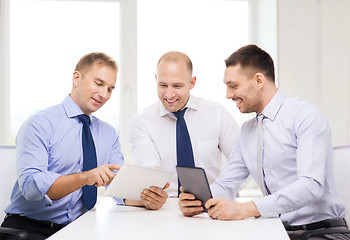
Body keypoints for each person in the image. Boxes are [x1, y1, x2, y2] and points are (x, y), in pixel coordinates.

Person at [178, 45, 350, 240]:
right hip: (277, 231)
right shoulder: (248, 131)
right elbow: (227, 184)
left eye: (233, 86)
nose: (228, 95)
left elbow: (311, 185)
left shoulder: (305, 115)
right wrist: (200, 201)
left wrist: (247, 209)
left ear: (258, 80)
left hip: (323, 232)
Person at [0, 52, 125, 240]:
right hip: (29, 229)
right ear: (76, 78)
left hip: (78, 229)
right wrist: (85, 177)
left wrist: (146, 196)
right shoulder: (39, 124)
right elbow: (32, 188)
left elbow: (119, 186)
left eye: (110, 89)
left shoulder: (109, 134)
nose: (104, 94)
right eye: (99, 84)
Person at [128, 51, 240, 210]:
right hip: (165, 209)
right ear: (156, 80)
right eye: (163, 85)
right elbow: (150, 168)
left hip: (213, 205)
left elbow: (241, 163)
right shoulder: (142, 122)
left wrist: (224, 193)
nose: (169, 94)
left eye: (177, 86)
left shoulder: (217, 114)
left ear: (192, 82)